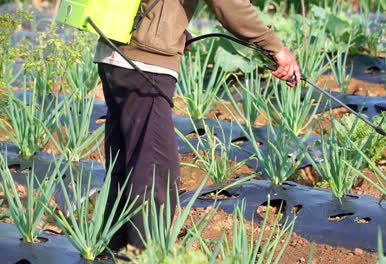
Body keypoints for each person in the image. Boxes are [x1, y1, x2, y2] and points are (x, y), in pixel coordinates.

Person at [94, 0, 301, 251]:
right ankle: (144, 254)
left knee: (126, 162)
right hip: (144, 62)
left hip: (115, 53)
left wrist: (173, 30)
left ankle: (113, 250)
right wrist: (275, 47)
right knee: (155, 167)